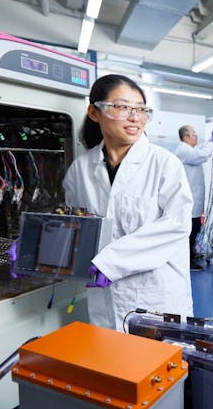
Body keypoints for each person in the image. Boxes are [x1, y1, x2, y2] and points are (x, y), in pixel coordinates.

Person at [63, 74, 194, 331]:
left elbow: (176, 226)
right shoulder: (80, 170)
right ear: (94, 112)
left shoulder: (164, 164)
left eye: (141, 109)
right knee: (111, 365)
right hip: (104, 299)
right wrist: (36, 246)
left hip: (156, 297)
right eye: (123, 107)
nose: (135, 117)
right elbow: (75, 224)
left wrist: (110, 263)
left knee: (154, 367)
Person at [173, 124, 213, 271]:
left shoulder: (189, 149)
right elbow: (200, 155)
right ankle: (187, 261)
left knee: (195, 228)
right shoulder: (183, 150)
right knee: (191, 231)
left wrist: (209, 140)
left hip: (193, 200)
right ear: (185, 137)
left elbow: (200, 150)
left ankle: (191, 254)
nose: (196, 137)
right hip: (188, 201)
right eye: (194, 135)